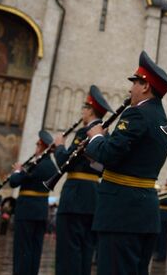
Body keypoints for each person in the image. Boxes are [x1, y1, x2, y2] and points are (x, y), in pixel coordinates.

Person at [85, 51, 167, 274]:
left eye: (134, 83)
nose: (130, 90)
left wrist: (97, 136)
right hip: (143, 213)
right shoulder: (160, 118)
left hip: (121, 214)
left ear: (145, 86)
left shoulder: (136, 114)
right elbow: (130, 158)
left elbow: (109, 155)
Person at [53, 85, 113, 275]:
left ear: (89, 111)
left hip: (75, 196)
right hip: (93, 197)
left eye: (84, 109)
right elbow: (103, 168)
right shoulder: (105, 134)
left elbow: (65, 163)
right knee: (87, 248)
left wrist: (59, 147)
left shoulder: (83, 133)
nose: (82, 112)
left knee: (68, 250)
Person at [9, 130, 58, 275]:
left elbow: (14, 182)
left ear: (42, 146)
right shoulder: (52, 166)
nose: (35, 148)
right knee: (36, 247)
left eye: (37, 145)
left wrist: (18, 171)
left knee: (23, 247)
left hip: (26, 210)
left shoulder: (34, 164)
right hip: (41, 210)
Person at [154, 179, 167, 262]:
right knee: (159, 237)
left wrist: (161, 193)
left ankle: (162, 255)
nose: (165, 187)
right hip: (160, 216)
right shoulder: (164, 193)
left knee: (163, 237)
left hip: (165, 217)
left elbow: (165, 201)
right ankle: (158, 253)